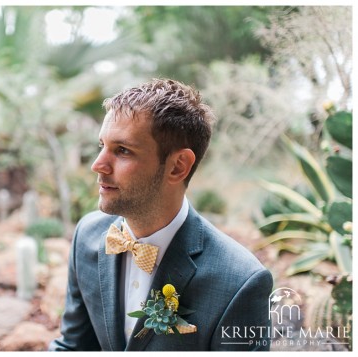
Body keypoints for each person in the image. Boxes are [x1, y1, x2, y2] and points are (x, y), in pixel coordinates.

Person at [48, 78, 273, 351]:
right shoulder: (88, 235)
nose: (98, 165)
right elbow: (73, 347)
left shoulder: (240, 282)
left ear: (178, 167)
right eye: (101, 146)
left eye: (122, 151)